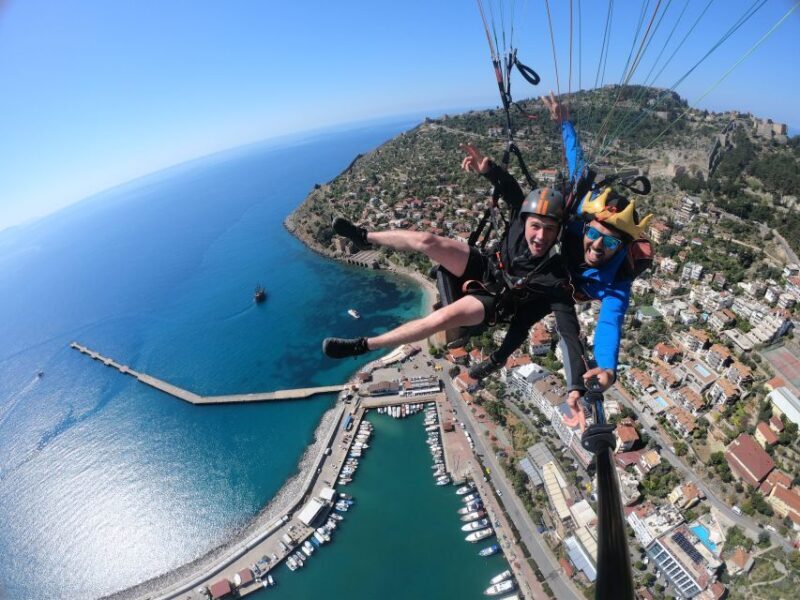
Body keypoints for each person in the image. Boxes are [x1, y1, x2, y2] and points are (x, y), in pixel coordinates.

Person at [322, 148, 588, 401]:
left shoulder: (555, 277)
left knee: (441, 319)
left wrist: (576, 385)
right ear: (525, 220)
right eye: (536, 226)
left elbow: (569, 332)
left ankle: (363, 345)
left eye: (549, 229)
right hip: (486, 265)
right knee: (427, 241)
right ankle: (364, 237)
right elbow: (510, 189)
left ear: (558, 232)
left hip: (495, 300)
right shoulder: (520, 215)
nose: (540, 236)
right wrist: (489, 169)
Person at [541, 92, 654, 430]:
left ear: (621, 247)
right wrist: (565, 123)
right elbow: (577, 163)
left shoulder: (619, 275)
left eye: (611, 242)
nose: (597, 245)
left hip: (577, 287)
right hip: (565, 271)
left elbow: (610, 322)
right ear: (586, 226)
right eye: (594, 233)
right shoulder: (582, 216)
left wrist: (607, 368)